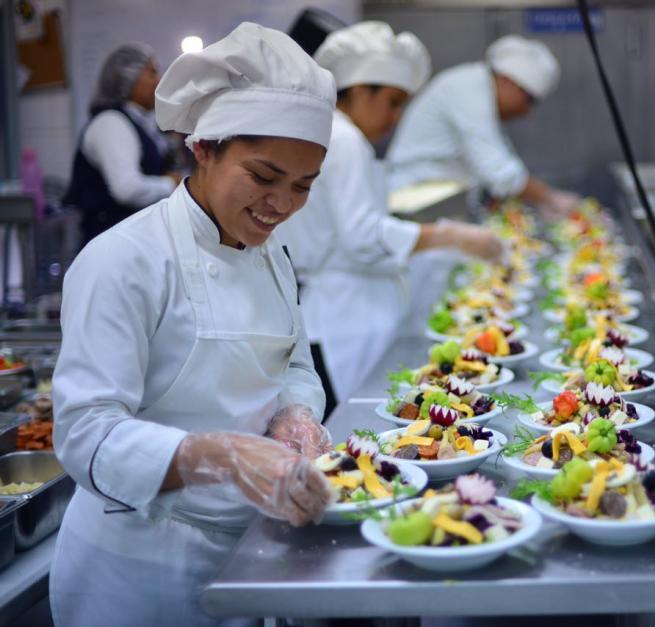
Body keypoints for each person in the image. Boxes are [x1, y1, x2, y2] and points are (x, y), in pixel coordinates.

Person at [50, 23, 338, 627]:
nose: (281, 205)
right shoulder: (123, 259)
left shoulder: (270, 254)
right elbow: (85, 433)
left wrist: (296, 414)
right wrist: (220, 454)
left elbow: (294, 364)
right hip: (136, 567)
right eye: (262, 177)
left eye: (303, 186)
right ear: (202, 148)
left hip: (246, 550)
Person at [279, 22, 503, 409]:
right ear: (362, 90)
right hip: (344, 318)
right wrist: (453, 236)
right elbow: (363, 236)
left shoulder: (338, 136)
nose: (396, 117)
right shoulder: (345, 139)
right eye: (393, 102)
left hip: (339, 308)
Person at [386, 34, 581, 217]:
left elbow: (499, 164)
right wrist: (550, 199)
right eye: (528, 100)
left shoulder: (478, 89)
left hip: (437, 200)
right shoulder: (469, 90)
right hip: (415, 199)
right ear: (507, 81)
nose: (527, 112)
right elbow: (500, 172)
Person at [63, 43, 185, 245]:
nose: (159, 80)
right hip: (109, 244)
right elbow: (127, 189)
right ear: (128, 78)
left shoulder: (141, 122)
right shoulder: (111, 123)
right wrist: (170, 183)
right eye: (152, 72)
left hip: (132, 240)